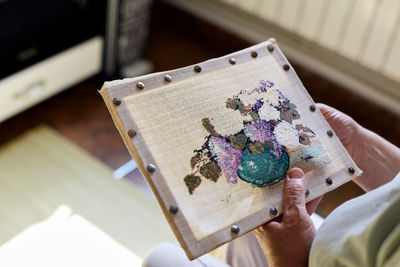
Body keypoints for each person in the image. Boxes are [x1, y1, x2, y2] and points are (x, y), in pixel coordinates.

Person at [143, 104, 400, 267]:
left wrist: (289, 259)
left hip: (306, 259)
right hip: (335, 249)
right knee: (247, 224)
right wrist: (357, 144)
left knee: (160, 259)